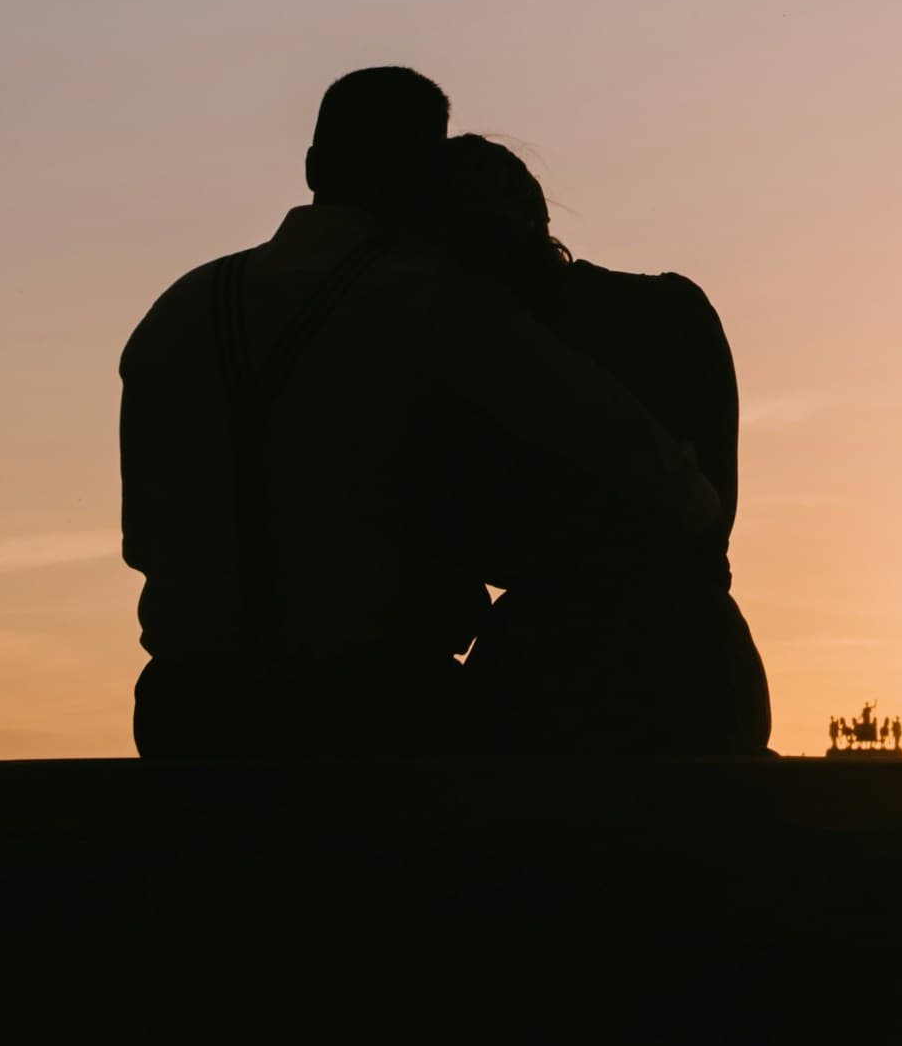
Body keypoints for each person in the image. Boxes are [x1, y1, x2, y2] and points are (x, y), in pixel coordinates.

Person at [120, 67, 720, 758]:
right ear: (424, 176)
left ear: (313, 165)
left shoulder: (176, 312)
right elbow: (586, 414)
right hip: (373, 708)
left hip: (186, 710)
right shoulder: (428, 297)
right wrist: (691, 498)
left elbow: (148, 537)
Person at [439, 135, 771, 755]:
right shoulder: (674, 309)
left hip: (547, 681)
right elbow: (710, 514)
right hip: (700, 662)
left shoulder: (476, 362)